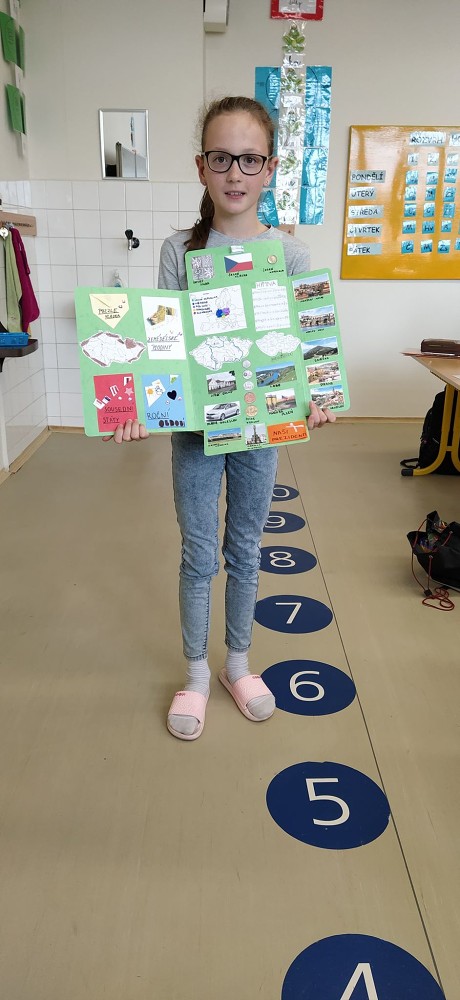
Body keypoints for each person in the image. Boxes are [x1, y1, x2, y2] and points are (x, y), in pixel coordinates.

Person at [104, 96, 336, 740]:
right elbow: (164, 349)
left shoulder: (290, 255)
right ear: (201, 167)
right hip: (195, 435)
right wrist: (140, 408)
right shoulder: (180, 250)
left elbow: (306, 345)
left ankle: (237, 663)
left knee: (246, 548)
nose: (235, 172)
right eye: (221, 158)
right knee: (199, 551)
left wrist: (317, 393)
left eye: (250, 159)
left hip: (260, 430)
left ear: (271, 168)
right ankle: (197, 673)